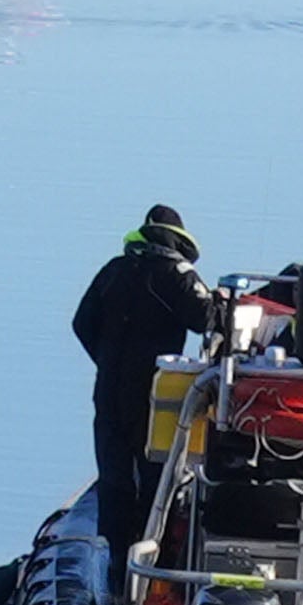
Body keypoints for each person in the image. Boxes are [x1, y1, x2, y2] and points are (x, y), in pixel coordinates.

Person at [72, 202, 210, 565]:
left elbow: (81, 323)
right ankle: (153, 561)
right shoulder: (176, 274)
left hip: (109, 386)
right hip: (154, 392)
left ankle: (112, 561)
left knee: (114, 470)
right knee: (154, 472)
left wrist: (106, 360)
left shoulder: (114, 270)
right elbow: (208, 319)